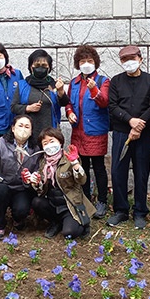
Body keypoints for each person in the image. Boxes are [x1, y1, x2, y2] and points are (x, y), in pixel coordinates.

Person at [107, 45, 150, 230]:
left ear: (140, 59)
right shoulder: (116, 81)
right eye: (124, 60)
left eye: (132, 58)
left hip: (144, 134)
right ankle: (120, 210)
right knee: (118, 171)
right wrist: (130, 121)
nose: (129, 62)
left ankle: (140, 211)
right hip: (121, 132)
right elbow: (112, 106)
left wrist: (139, 124)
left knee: (141, 171)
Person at [64, 45, 110, 220]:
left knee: (98, 167)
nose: (86, 64)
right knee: (81, 167)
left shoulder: (103, 81)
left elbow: (104, 102)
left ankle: (103, 201)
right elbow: (68, 102)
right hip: (78, 132)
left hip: (96, 131)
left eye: (89, 61)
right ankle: (85, 199)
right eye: (82, 61)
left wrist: (93, 89)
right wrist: (69, 113)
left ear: (95, 63)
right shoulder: (74, 83)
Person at [0, 115, 41, 240]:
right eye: (20, 125)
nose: (23, 129)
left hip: (21, 187)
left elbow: (36, 170)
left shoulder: (34, 149)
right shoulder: (1, 143)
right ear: (13, 128)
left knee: (21, 209)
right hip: (1, 186)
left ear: (31, 132)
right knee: (2, 190)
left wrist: (31, 178)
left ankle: (18, 219)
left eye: (27, 127)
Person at [30, 127, 95, 239]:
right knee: (36, 202)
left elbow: (82, 180)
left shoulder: (69, 158)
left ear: (60, 142)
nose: (49, 145)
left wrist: (75, 164)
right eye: (45, 143)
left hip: (69, 205)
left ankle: (83, 223)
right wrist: (36, 182)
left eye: (52, 141)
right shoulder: (43, 162)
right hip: (53, 204)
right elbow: (41, 189)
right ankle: (56, 222)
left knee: (69, 233)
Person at [11, 49, 69, 139]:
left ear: (49, 68)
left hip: (49, 133)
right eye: (37, 65)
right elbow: (13, 107)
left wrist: (61, 91)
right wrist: (28, 108)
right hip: (27, 134)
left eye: (44, 65)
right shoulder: (22, 85)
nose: (40, 68)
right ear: (31, 67)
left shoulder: (53, 84)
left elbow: (64, 102)